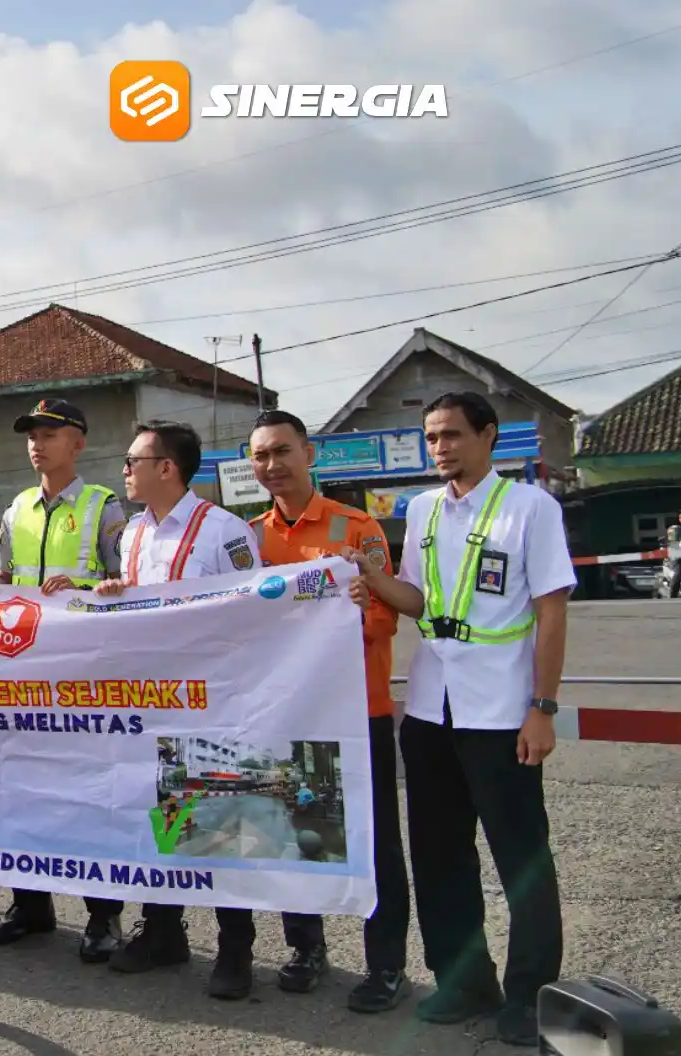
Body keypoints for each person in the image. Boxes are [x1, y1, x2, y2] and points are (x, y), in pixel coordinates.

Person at [342, 391, 573, 1048]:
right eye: (431, 437)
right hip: (430, 707)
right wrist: (372, 578)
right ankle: (464, 981)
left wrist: (542, 708)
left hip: (501, 711)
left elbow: (552, 612)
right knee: (439, 854)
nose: (439, 447)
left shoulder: (531, 508)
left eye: (451, 435)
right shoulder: (421, 509)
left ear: (488, 436)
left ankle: (530, 995)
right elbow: (418, 600)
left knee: (521, 859)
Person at [241, 409, 407, 1008]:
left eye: (282, 451)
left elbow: (384, 620)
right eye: (260, 456)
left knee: (373, 841)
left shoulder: (356, 528)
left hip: (359, 711)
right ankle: (305, 947)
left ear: (309, 454)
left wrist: (346, 612)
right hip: (288, 713)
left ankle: (385, 965)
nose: (272, 465)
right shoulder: (249, 539)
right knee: (296, 834)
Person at [93, 420, 260, 979]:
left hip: (212, 699)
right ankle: (163, 931)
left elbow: (252, 612)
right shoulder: (132, 534)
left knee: (219, 821)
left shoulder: (224, 531)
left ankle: (236, 947)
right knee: (162, 816)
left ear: (167, 468)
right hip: (150, 699)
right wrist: (116, 595)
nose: (124, 470)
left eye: (133, 461)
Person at [0, 399, 130, 961]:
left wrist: (86, 592)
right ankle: (30, 905)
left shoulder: (103, 507)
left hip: (82, 678)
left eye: (50, 434)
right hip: (22, 676)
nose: (37, 444)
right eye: (32, 435)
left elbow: (127, 585)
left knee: (87, 797)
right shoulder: (16, 510)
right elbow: (5, 578)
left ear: (78, 443)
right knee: (19, 790)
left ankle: (103, 916)